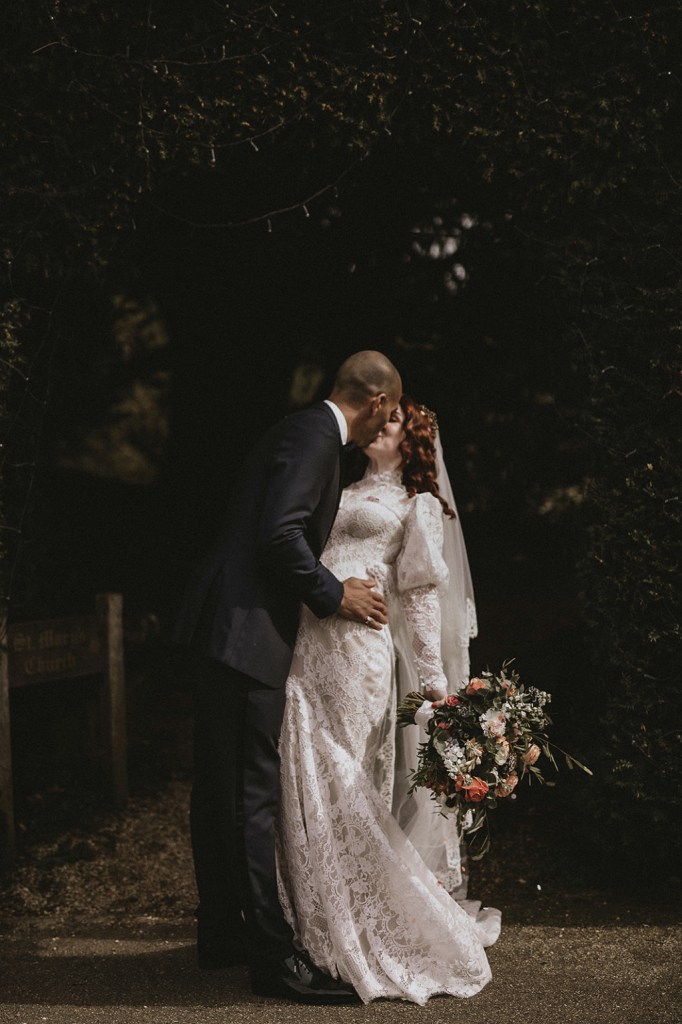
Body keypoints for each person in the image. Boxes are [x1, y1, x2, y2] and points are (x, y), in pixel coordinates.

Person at [173, 350, 402, 1002]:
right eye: (390, 411)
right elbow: (279, 536)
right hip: (246, 634)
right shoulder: (317, 437)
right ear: (378, 402)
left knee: (218, 788)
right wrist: (338, 595)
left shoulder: (295, 428)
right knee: (251, 795)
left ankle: (220, 932)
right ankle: (274, 962)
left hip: (223, 624)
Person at [276, 396, 501, 1005]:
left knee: (346, 779)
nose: (383, 424)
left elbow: (423, 603)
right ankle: (309, 921)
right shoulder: (337, 485)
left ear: (412, 443)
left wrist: (436, 687)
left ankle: (366, 924)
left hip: (359, 653)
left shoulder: (418, 506)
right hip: (308, 646)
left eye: (397, 421)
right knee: (303, 774)